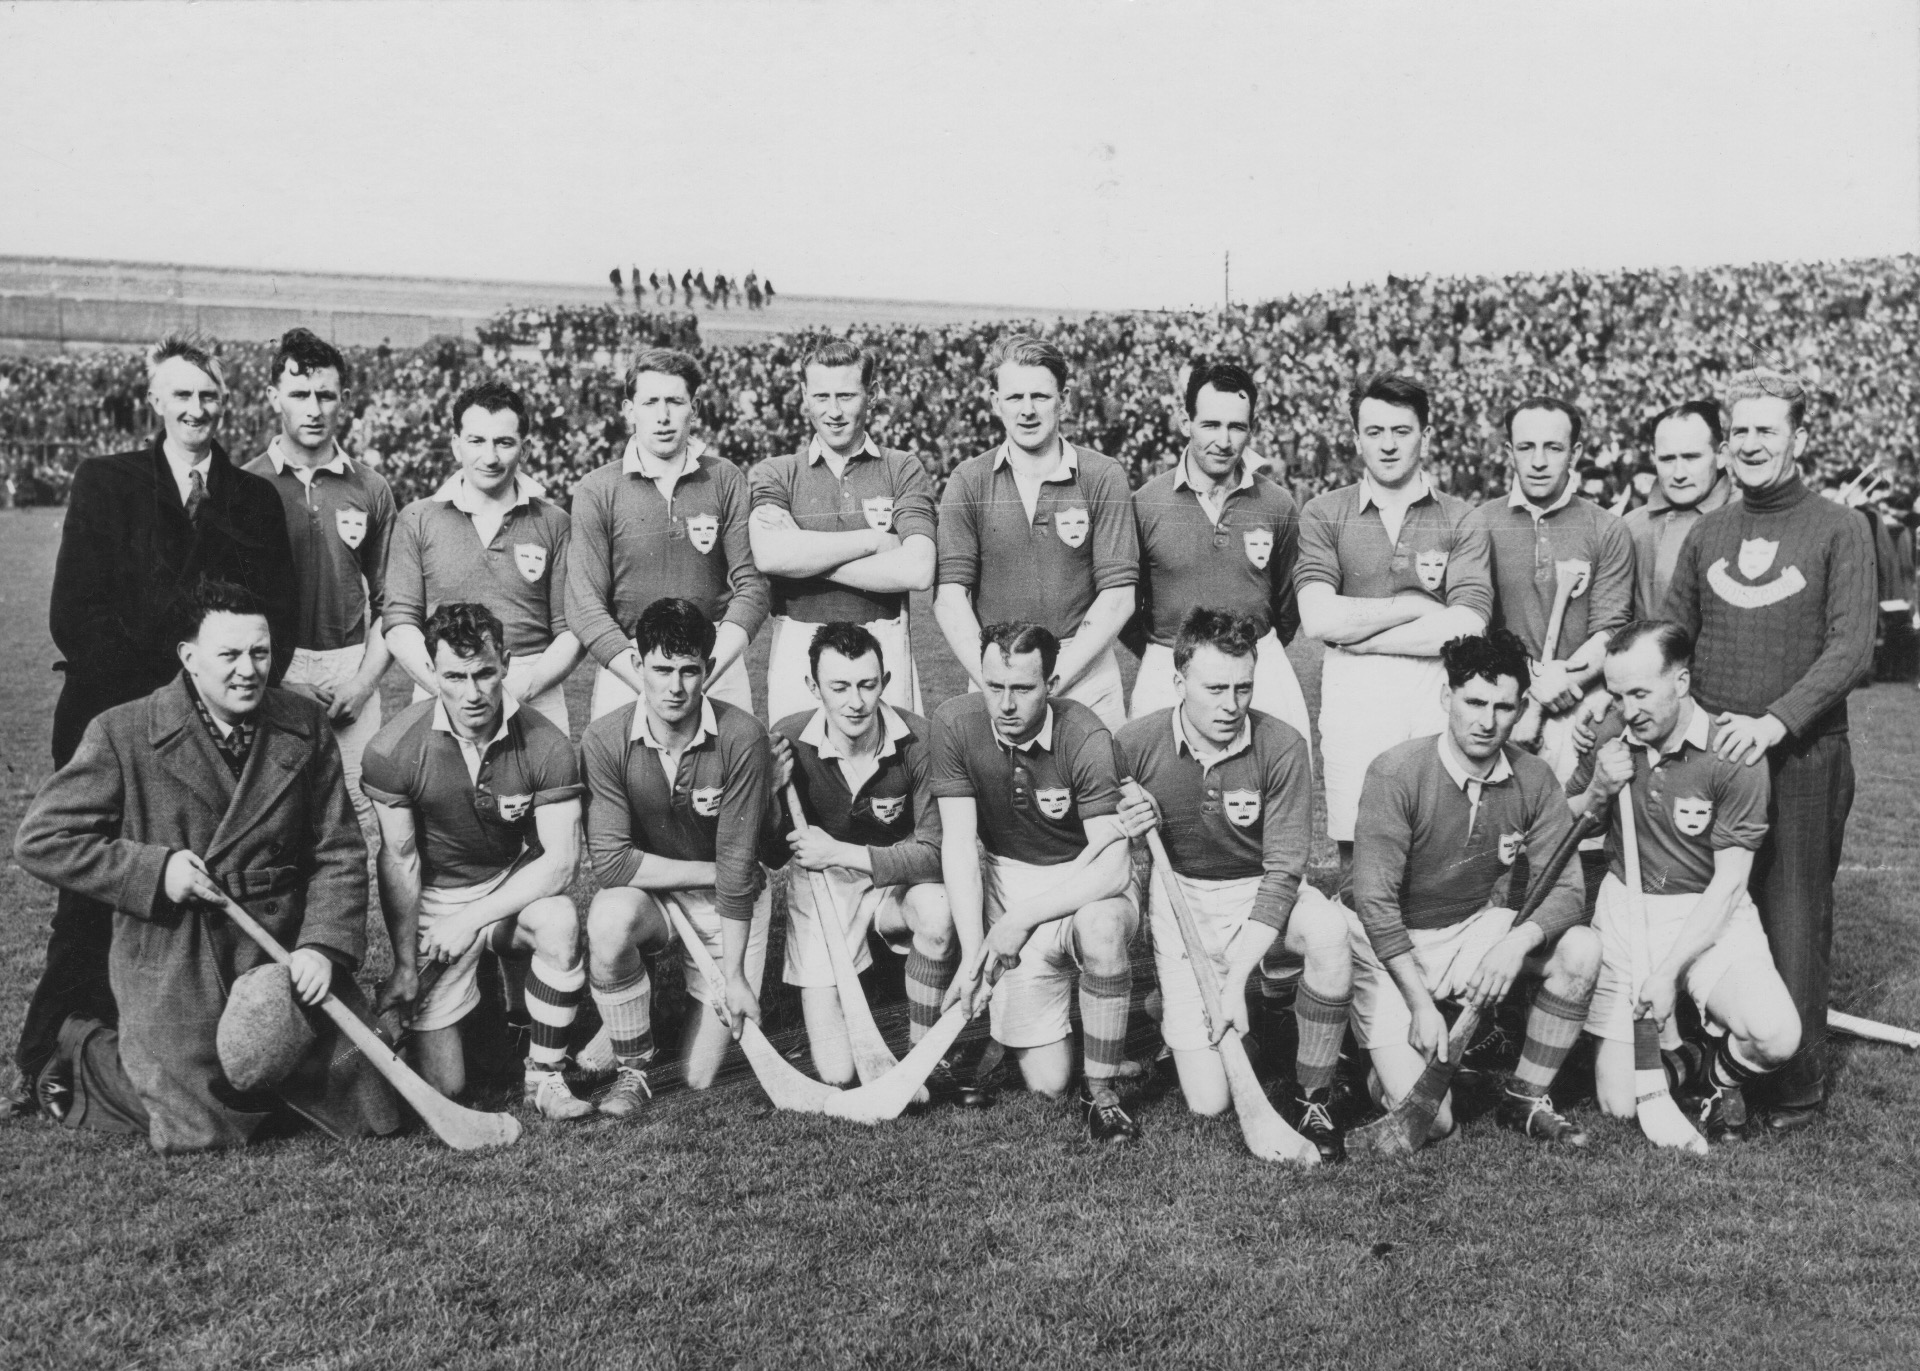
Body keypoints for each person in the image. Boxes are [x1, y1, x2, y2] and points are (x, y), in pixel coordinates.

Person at [15, 335, 297, 1113]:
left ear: (224, 401)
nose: (197, 409)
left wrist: (217, 698)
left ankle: (176, 1037)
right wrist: (160, 706)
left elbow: (281, 620)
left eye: (208, 395)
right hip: (113, 718)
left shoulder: (251, 498)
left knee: (203, 883)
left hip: (219, 729)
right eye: (181, 396)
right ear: (155, 402)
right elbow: (74, 613)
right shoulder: (106, 483)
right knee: (93, 891)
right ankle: (46, 1051)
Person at [14, 579, 394, 1152]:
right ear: (189, 658)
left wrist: (323, 945)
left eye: (260, 652)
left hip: (280, 949)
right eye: (230, 655)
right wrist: (154, 871)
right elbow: (42, 839)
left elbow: (337, 849)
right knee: (207, 1126)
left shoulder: (303, 723)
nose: (249, 670)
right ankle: (84, 1053)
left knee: (373, 1110)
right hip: (176, 957)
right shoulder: (123, 733)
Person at [1663, 368, 1876, 1134]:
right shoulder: (1709, 532)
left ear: (1798, 437)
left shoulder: (1838, 526)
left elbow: (1852, 649)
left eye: (1766, 430)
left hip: (1802, 755)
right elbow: (1673, 639)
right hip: (1714, 758)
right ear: (1725, 445)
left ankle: (1793, 1084)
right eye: (1740, 432)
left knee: (1790, 917)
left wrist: (1773, 722)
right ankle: (1706, 1060)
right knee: (1703, 908)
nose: (1751, 444)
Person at [1114, 609, 1351, 1160]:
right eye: (1215, 688)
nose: (1231, 705)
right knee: (1207, 1102)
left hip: (1261, 892)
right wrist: (1127, 825)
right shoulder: (1134, 744)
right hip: (1183, 902)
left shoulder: (1283, 743)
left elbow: (1285, 871)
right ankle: (1189, 1008)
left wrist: (1235, 975)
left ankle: (1314, 1093)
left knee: (1328, 930)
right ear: (1179, 684)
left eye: (1243, 688)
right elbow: (1104, 845)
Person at [1347, 630, 1599, 1145]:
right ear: (1447, 698)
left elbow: (1570, 890)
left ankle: (1525, 1097)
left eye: (1503, 707)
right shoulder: (1396, 772)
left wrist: (1515, 943)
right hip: (1383, 945)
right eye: (1474, 702)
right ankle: (1368, 1066)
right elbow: (1374, 903)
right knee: (1436, 1123)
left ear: (1522, 706)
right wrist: (1418, 1003)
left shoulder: (1534, 778)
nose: (1487, 721)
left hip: (1466, 930)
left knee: (1581, 949)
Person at [1567, 621, 1801, 1145]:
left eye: (1641, 694)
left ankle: (1718, 1073)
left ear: (1682, 681)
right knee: (1620, 1104)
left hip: (1709, 910)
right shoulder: (1610, 732)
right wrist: (1600, 790)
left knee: (1777, 1036)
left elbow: (1730, 885)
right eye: (1618, 694)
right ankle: (1689, 1053)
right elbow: (1561, 823)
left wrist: (1669, 973)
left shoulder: (1734, 751)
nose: (1629, 710)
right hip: (1628, 907)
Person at [359, 603, 591, 1119]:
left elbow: (560, 863)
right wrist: (404, 965)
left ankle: (545, 1078)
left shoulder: (547, 742)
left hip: (510, 887)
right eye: (455, 677)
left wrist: (473, 919)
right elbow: (399, 861)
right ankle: (476, 1016)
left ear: (505, 662)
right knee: (448, 1085)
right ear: (431, 673)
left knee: (559, 920)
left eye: (485, 673)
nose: (473, 693)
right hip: (439, 897)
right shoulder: (392, 748)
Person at [931, 622, 1143, 1142]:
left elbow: (1113, 867)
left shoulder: (1086, 734)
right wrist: (973, 951)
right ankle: (1071, 1033)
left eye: (1023, 688)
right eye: (993, 686)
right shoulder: (954, 723)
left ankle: (1103, 1091)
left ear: (1052, 682)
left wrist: (1020, 921)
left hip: (1087, 879)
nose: (1004, 704)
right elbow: (959, 843)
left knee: (1100, 928)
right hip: (1010, 879)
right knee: (1047, 1085)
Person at [579, 598, 785, 1114]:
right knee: (609, 918)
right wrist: (716, 870)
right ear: (637, 666)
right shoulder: (604, 738)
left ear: (709, 671)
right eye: (661, 669)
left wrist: (735, 976)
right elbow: (611, 863)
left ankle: (638, 1012)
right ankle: (634, 1064)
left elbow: (741, 867)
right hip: (656, 893)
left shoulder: (742, 736)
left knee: (697, 1078)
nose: (675, 686)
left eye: (689, 671)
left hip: (729, 904)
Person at [768, 622, 976, 1102]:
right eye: (838, 687)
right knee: (838, 1072)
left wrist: (839, 851)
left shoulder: (922, 739)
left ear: (884, 680)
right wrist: (771, 798)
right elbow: (773, 855)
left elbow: (933, 854)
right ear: (813, 686)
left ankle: (925, 1058)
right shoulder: (788, 739)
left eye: (867, 684)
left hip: (895, 876)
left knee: (938, 910)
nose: (855, 702)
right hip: (822, 883)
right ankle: (882, 982)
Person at [1295, 373, 1493, 869]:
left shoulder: (1461, 516)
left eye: (1401, 431)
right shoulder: (1324, 511)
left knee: (1437, 845)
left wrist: (1364, 638)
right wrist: (1414, 605)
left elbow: (1466, 627)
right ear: (1356, 436)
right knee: (1358, 845)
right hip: (1353, 691)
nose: (1387, 445)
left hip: (1434, 687)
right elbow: (1318, 618)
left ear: (1425, 436)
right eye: (1375, 431)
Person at [242, 328, 396, 882]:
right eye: (301, 394)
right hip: (268, 670)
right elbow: (226, 607)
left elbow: (392, 604)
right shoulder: (244, 485)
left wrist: (363, 683)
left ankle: (340, 963)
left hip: (348, 670)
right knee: (272, 825)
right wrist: (277, 679)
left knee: (357, 824)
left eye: (326, 395)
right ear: (273, 396)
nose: (314, 408)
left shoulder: (372, 488)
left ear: (345, 401)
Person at [934, 335, 1137, 729]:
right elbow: (950, 600)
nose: (1027, 411)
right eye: (1014, 398)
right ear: (995, 402)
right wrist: (996, 682)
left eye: (1041, 397)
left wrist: (1052, 680)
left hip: (1086, 677)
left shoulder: (1103, 475)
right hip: (997, 674)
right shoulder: (968, 479)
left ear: (1065, 398)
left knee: (1100, 788)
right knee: (1001, 790)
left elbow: (1118, 597)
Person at [567, 348, 766, 719]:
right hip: (628, 668)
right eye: (650, 402)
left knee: (728, 774)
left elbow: (753, 586)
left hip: (715, 665)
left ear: (696, 407)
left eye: (675, 401)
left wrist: (706, 666)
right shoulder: (596, 488)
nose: (662, 416)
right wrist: (646, 677)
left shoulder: (726, 478)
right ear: (629, 410)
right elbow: (585, 605)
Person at [749, 340, 935, 722]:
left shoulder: (902, 468)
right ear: (804, 396)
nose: (833, 411)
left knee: (888, 772)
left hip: (881, 643)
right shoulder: (777, 471)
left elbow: (918, 569)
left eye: (847, 396)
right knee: (798, 771)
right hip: (797, 644)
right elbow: (769, 555)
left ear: (872, 394)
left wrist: (804, 551)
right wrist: (873, 541)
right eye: (821, 396)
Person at [1126, 361, 1310, 743]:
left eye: (1237, 426)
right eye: (1210, 425)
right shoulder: (1146, 503)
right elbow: (1128, 607)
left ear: (1251, 428)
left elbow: (1288, 607)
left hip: (1256, 667)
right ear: (1185, 421)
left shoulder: (1277, 504)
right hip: (1168, 670)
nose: (1224, 441)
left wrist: (1249, 649)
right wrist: (1170, 654)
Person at [385, 381, 582, 730]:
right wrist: (448, 686)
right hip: (442, 684)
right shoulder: (417, 519)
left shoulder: (555, 522)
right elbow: (400, 622)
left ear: (526, 448)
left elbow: (571, 630)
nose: (489, 457)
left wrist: (523, 686)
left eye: (504, 442)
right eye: (476, 441)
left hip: (531, 690)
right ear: (455, 445)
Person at [1463, 397, 1634, 779]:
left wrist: (1548, 691)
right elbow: (1474, 625)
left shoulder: (1607, 528)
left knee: (1573, 830)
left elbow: (1610, 631)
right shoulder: (1479, 523)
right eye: (1526, 447)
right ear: (1509, 451)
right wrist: (1528, 687)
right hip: (1500, 705)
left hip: (1576, 710)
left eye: (1553, 448)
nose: (1538, 461)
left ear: (1574, 452)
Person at [1624, 400, 1733, 616]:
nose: (1679, 473)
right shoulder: (1629, 527)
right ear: (1653, 457)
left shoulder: (1752, 519)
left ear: (1721, 455)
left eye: (1691, 457)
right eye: (1667, 459)